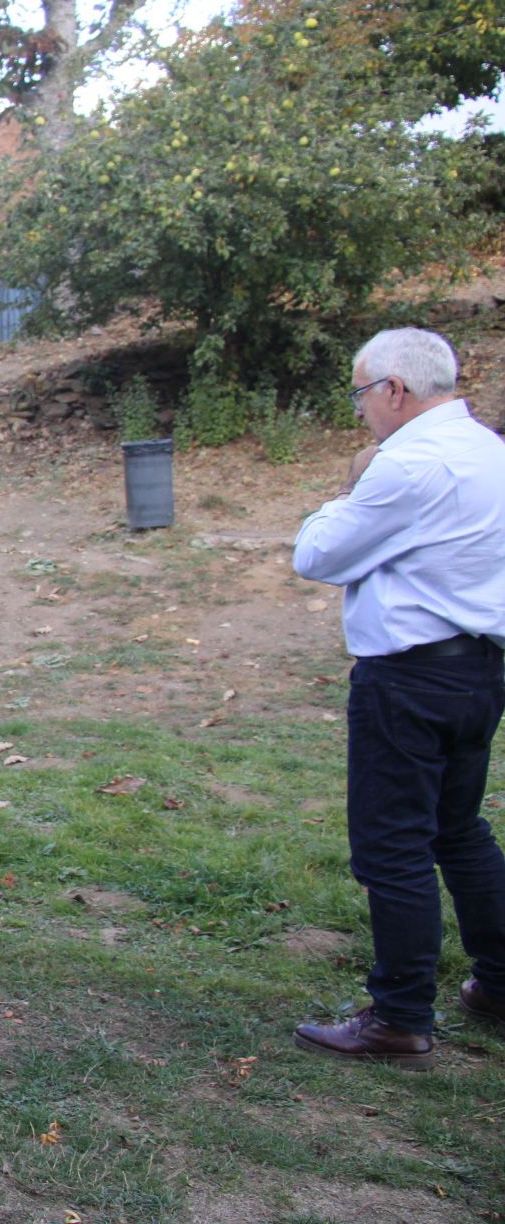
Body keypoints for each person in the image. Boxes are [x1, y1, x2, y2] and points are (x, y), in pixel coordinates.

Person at [291, 327, 505, 1069]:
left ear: (393, 390)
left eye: (361, 396)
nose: (360, 414)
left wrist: (344, 492)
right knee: (457, 829)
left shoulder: (408, 464)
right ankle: (501, 983)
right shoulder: (488, 449)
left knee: (393, 844)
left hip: (411, 679)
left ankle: (401, 1016)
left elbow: (317, 554)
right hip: (479, 671)